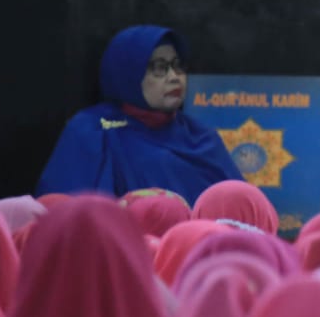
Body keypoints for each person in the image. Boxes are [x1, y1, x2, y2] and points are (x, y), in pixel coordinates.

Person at [36, 25, 243, 200]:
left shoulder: (201, 137)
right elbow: (64, 216)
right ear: (128, 74)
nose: (174, 77)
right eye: (159, 67)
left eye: (177, 65)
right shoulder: (93, 131)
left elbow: (244, 212)